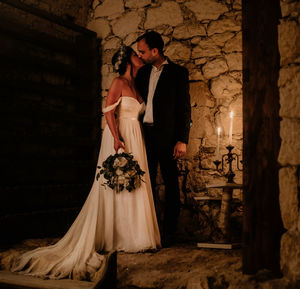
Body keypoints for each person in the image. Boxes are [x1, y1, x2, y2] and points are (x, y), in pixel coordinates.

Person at [11, 45, 161, 281]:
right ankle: (114, 236)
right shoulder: (118, 82)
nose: (139, 56)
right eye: (136, 54)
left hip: (136, 135)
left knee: (135, 183)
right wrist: (116, 138)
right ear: (127, 60)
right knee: (116, 183)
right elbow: (109, 112)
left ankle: (135, 235)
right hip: (119, 136)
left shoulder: (136, 84)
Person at [135, 31, 191, 246]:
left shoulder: (178, 73)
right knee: (143, 184)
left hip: (168, 138)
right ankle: (147, 230)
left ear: (155, 51)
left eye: (143, 51)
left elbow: (185, 110)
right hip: (144, 136)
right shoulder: (141, 74)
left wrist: (182, 139)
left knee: (171, 185)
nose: (140, 55)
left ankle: (168, 233)